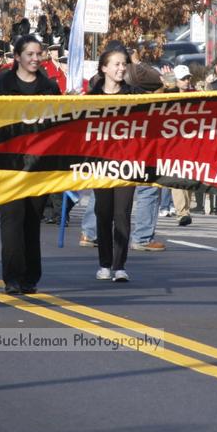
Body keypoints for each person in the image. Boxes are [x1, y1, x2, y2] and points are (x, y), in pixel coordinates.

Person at [0, 34, 61, 294]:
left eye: (38, 54)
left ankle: (30, 277)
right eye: (29, 54)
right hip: (7, 164)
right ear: (17, 57)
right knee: (12, 218)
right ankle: (12, 277)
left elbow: (60, 124)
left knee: (31, 220)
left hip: (38, 165)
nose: (35, 59)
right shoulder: (1, 83)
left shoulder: (50, 87)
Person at [89, 47, 140, 282]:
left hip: (127, 163)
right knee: (103, 212)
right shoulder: (91, 98)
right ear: (104, 68)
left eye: (124, 64)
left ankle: (120, 266)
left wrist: (137, 62)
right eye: (116, 64)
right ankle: (104, 263)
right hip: (100, 165)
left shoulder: (135, 95)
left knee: (122, 213)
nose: (121, 68)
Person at [169, 65, 197, 227]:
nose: (186, 81)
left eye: (188, 78)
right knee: (176, 178)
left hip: (191, 143)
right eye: (183, 78)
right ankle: (182, 212)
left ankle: (186, 209)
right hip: (173, 143)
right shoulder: (167, 95)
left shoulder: (195, 95)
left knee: (189, 178)